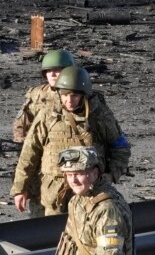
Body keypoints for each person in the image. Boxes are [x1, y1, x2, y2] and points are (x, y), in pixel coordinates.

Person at [11, 66, 130, 217]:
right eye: (64, 95)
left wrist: (111, 175)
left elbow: (121, 148)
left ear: (83, 95)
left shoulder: (99, 116)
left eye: (74, 96)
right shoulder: (48, 115)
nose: (69, 100)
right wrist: (20, 188)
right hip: (52, 191)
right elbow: (29, 153)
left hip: (89, 188)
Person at [13, 48, 75, 143]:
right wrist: (22, 143)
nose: (52, 74)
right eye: (49, 71)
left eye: (57, 70)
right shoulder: (37, 94)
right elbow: (22, 122)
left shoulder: (83, 95)